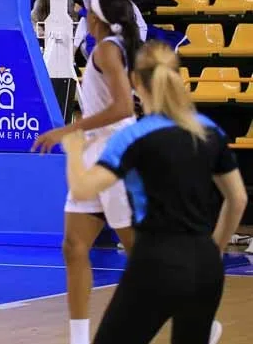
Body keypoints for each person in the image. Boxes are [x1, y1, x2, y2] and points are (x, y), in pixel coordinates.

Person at [62, 41, 245, 344]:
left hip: (157, 262)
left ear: (135, 81)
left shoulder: (134, 136)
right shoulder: (208, 129)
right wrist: (216, 247)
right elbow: (237, 199)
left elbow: (82, 190)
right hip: (206, 266)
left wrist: (73, 150)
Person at [32, 0, 140, 344]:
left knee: (141, 255)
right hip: (98, 153)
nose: (83, 18)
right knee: (74, 246)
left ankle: (195, 320)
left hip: (116, 153)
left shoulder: (108, 49)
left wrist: (69, 127)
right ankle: (79, 339)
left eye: (86, 12)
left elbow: (124, 108)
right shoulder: (112, 48)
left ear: (98, 18)